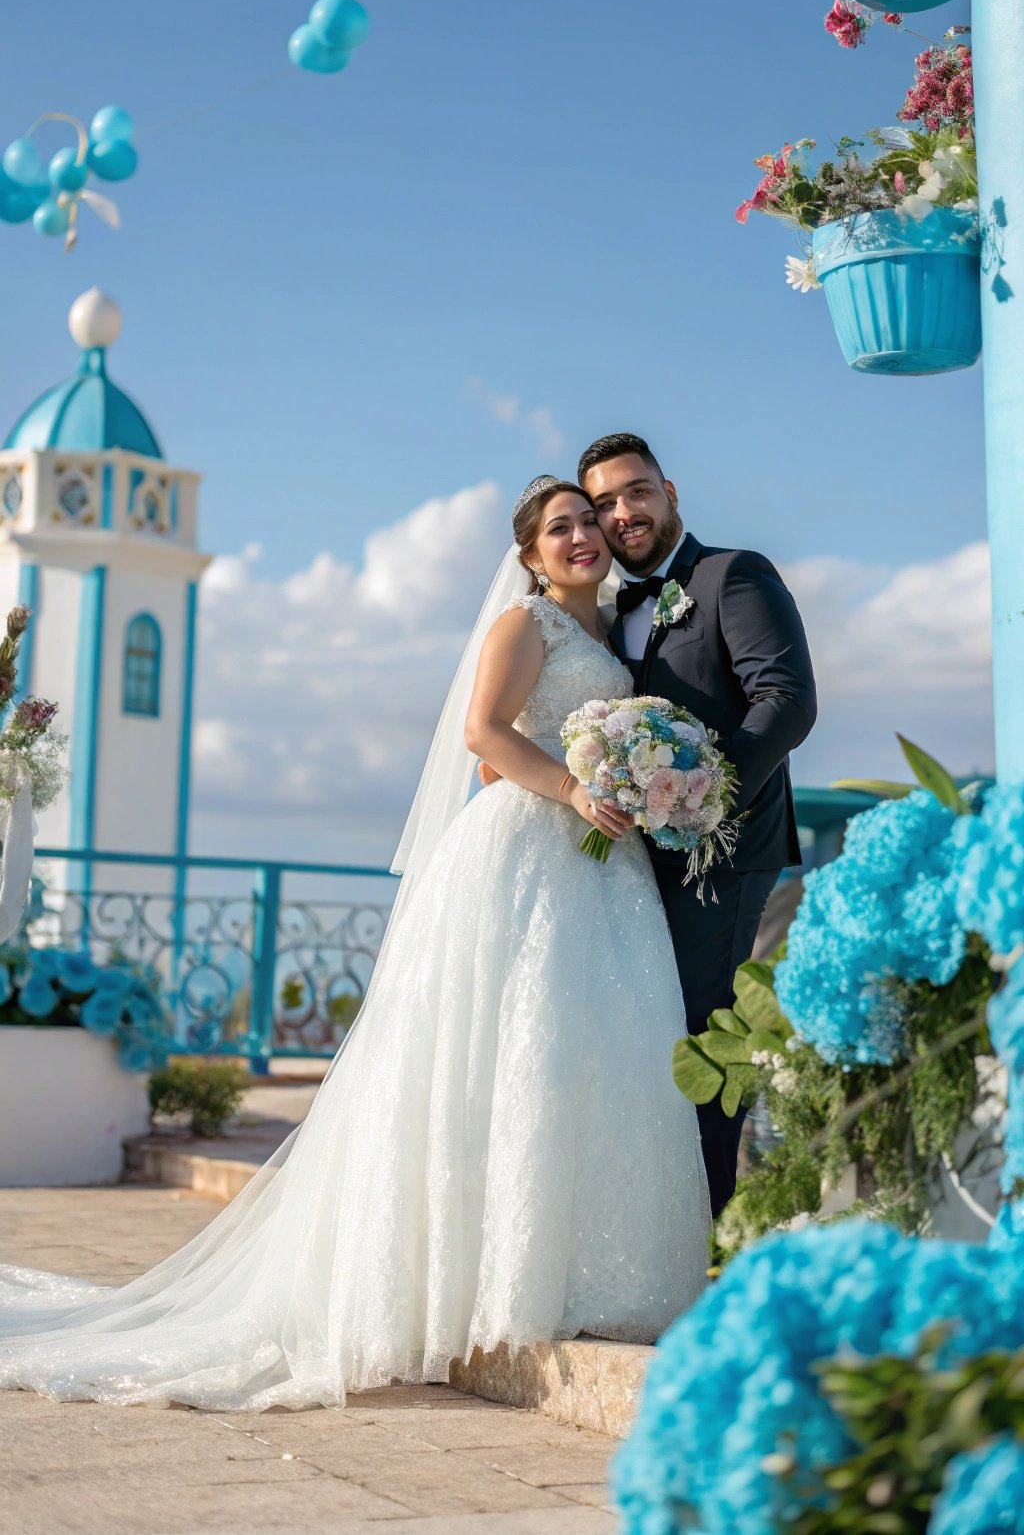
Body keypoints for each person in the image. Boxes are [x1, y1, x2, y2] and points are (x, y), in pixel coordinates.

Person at [0, 475, 709, 1412]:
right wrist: (578, 788)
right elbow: (482, 732)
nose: (582, 536)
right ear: (530, 555)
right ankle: (478, 1286)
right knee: (510, 1054)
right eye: (559, 528)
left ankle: (576, 1274)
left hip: (598, 868)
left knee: (581, 1058)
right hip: (528, 849)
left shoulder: (612, 634)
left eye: (589, 522)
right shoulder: (526, 624)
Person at [579, 433, 817, 1217]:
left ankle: (706, 1234)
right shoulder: (607, 613)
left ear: (670, 492)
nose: (623, 512)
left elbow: (786, 701)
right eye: (605, 503)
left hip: (726, 852)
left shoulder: (731, 575)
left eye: (636, 491)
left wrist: (706, 802)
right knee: (644, 1037)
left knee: (702, 1042)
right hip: (636, 861)